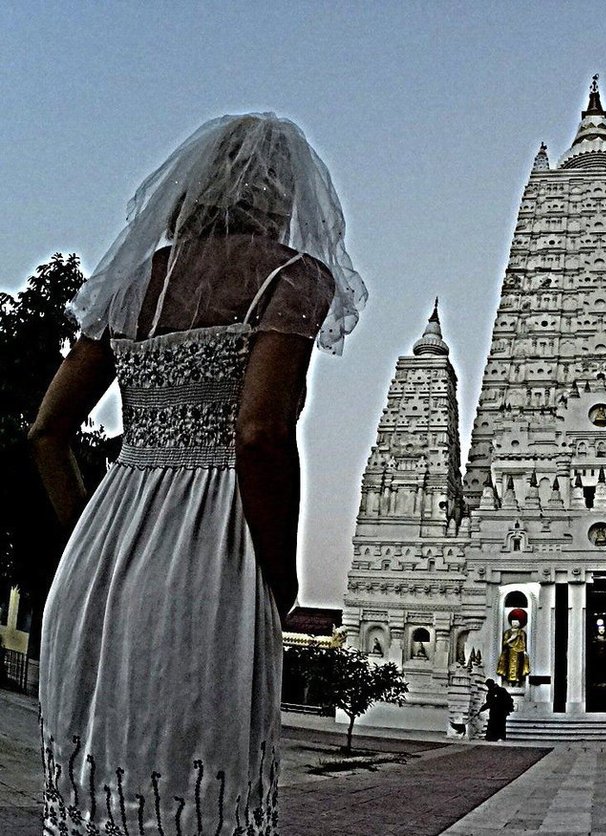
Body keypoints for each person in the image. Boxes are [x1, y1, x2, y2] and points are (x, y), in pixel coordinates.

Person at [31, 113, 366, 835]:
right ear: (282, 196)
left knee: (105, 783)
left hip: (107, 546)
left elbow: (47, 433)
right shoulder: (292, 276)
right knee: (194, 788)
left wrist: (85, 543)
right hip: (216, 544)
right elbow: (260, 433)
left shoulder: (133, 280)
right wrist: (281, 576)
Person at [496, 607, 531, 685]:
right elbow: (504, 643)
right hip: (509, 651)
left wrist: (524, 651)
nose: (514, 624)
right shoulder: (507, 632)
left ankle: (518, 682)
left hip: (519, 652)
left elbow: (523, 642)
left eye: (516, 622)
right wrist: (511, 639)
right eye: (513, 622)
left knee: (518, 667)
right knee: (509, 667)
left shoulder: (521, 632)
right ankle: (509, 682)